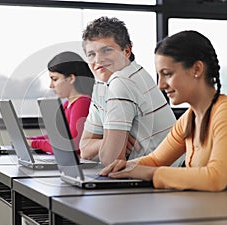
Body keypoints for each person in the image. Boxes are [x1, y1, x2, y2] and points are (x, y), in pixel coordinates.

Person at [100, 30, 227, 192]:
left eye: (167, 74)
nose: (161, 85)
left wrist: (151, 173)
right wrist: (125, 167)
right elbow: (155, 160)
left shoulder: (223, 114)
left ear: (196, 69)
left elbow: (216, 179)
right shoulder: (189, 119)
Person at [79, 16, 177, 166]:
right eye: (91, 54)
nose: (98, 60)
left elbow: (110, 160)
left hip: (164, 176)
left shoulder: (123, 81)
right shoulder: (102, 84)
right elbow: (84, 149)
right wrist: (109, 141)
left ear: (126, 51)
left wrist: (110, 144)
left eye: (106, 50)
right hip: (143, 172)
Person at [27, 51, 95, 154]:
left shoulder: (82, 103)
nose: (51, 85)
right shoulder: (67, 104)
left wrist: (34, 143)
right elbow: (57, 137)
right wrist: (31, 139)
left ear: (71, 78)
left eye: (54, 79)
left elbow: (71, 145)